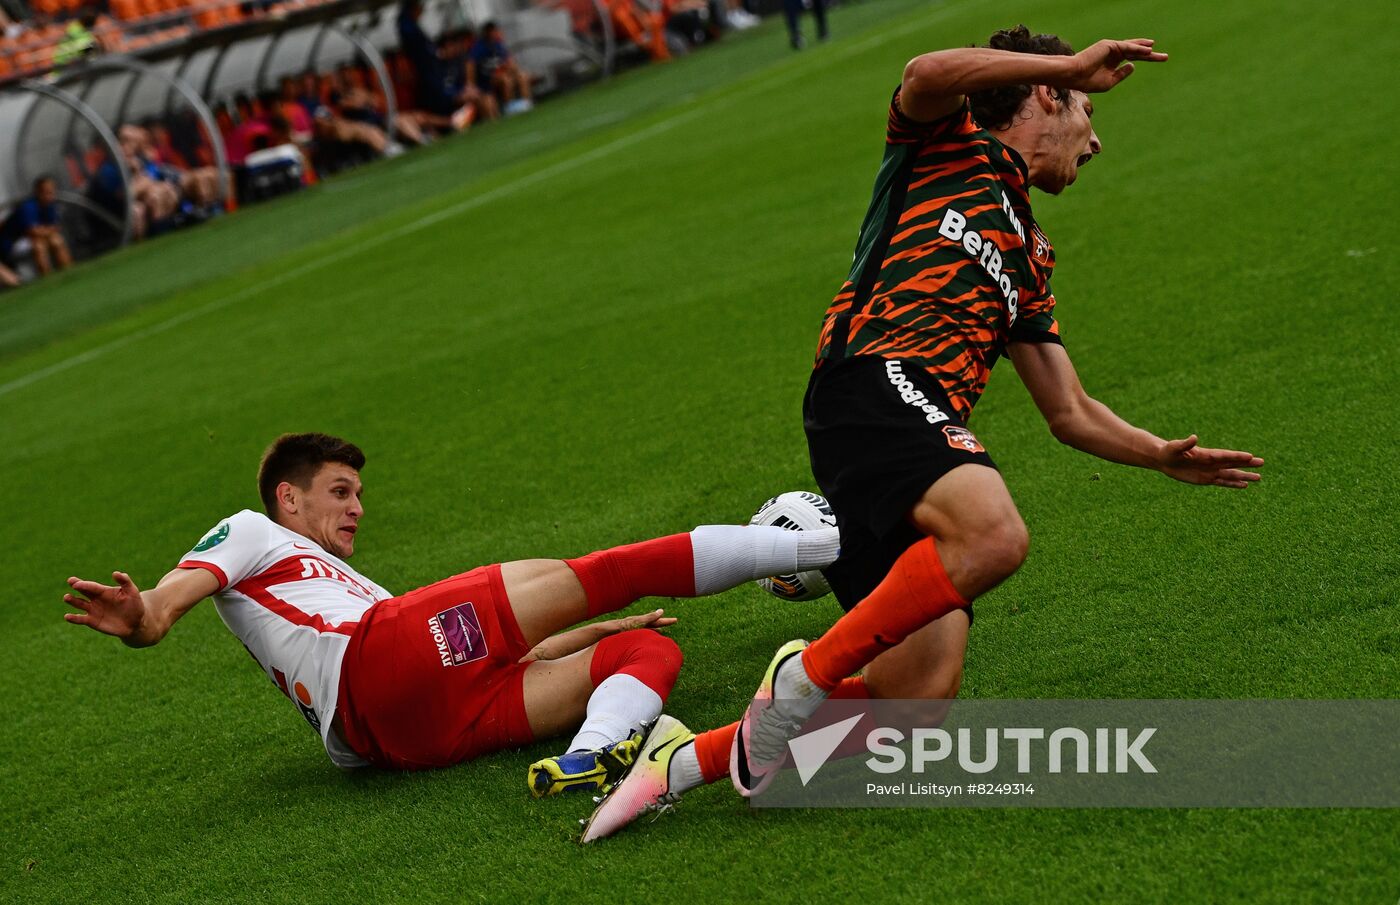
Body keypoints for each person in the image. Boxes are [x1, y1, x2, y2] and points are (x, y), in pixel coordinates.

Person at [581, 25, 1265, 841]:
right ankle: (803, 675)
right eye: (1085, 110)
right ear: (1046, 95)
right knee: (995, 533)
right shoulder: (946, 144)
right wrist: (1071, 62)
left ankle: (682, 761)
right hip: (870, 385)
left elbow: (1068, 410)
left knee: (915, 705)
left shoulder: (1028, 252)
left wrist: (1159, 453)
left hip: (909, 438)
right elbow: (927, 70)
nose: (1098, 138)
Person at [62, 433, 840, 792]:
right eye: (341, 491)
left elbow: (483, 657)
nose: (357, 507)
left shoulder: (353, 591)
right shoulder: (252, 528)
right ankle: (839, 542)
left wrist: (593, 636)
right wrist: (142, 614)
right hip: (374, 665)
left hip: (411, 736)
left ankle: (591, 756)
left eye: (359, 493)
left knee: (645, 653)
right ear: (288, 497)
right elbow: (164, 607)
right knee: (616, 571)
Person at [0, 176, 72, 280]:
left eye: (51, 192)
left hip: (36, 238)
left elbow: (54, 227)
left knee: (57, 240)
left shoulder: (50, 206)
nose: (49, 196)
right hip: (13, 243)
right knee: (39, 246)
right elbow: (32, 231)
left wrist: (46, 231)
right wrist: (47, 231)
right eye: (46, 192)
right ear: (38, 192)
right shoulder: (28, 207)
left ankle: (69, 273)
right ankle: (48, 279)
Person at [468, 21, 533, 115]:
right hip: (488, 79)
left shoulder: (498, 44)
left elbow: (508, 60)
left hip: (502, 73)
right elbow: (470, 64)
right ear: (489, 32)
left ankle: (527, 104)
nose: (498, 32)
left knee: (523, 76)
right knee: (505, 80)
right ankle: (509, 107)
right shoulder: (479, 46)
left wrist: (515, 70)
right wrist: (471, 84)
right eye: (495, 31)